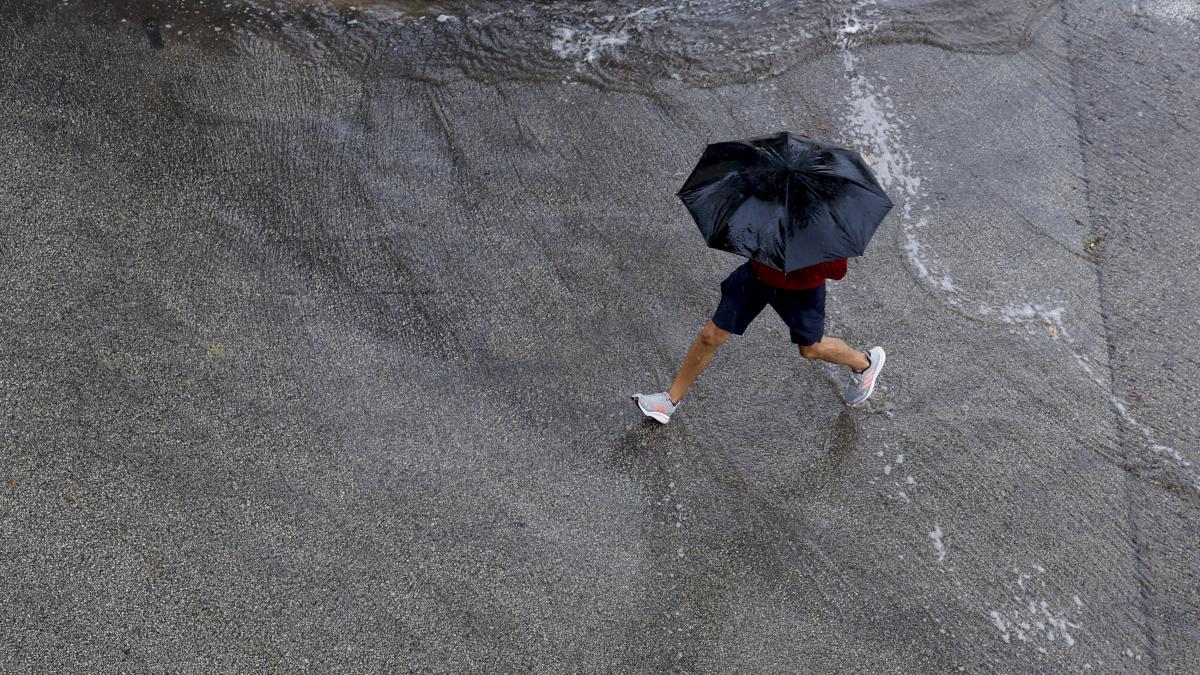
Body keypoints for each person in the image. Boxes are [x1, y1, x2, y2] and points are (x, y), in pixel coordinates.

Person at [633, 257, 885, 423]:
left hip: (801, 292)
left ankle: (864, 363)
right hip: (757, 275)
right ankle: (669, 401)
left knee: (810, 349)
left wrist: (794, 254)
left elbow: (838, 270)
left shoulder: (826, 216)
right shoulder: (769, 190)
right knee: (711, 335)